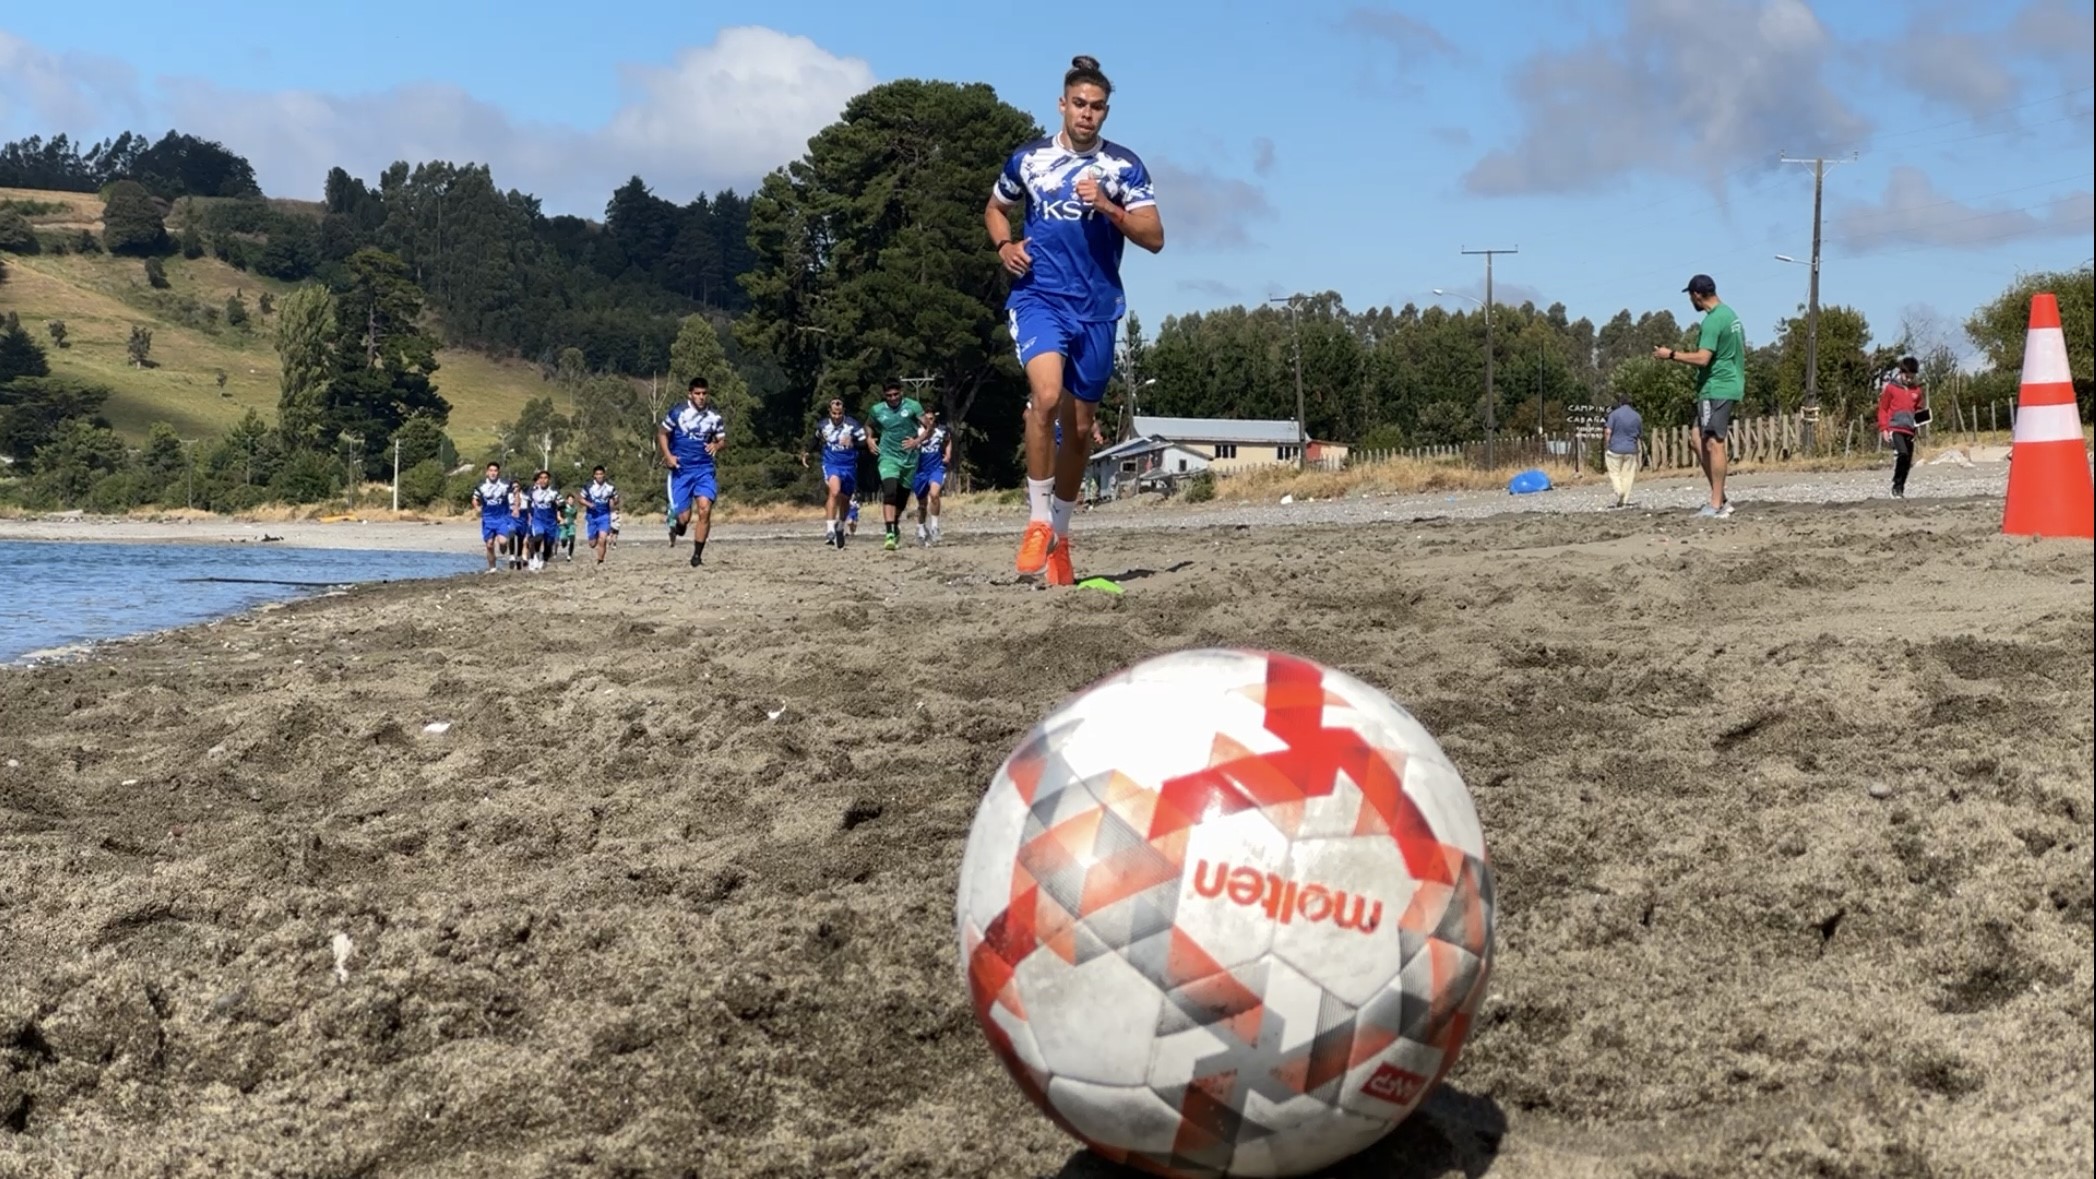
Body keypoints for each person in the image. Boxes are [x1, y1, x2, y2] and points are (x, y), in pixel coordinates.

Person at [986, 54, 1164, 585]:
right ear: (1063, 105)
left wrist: (1110, 207)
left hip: (1098, 309)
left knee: (1081, 429)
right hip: (1039, 296)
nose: (1087, 114)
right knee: (1044, 398)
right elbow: (995, 207)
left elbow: (1154, 237)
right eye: (1079, 104)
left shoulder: (1124, 167)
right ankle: (1038, 522)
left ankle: (1060, 537)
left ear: (1106, 113)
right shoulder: (1030, 160)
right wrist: (1004, 245)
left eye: (1098, 108)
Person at [1654, 274, 1745, 517]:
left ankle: (1716, 504)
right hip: (1721, 385)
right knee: (1696, 438)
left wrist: (1671, 354)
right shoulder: (1730, 314)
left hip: (1717, 387)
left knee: (1713, 442)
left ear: (1696, 295)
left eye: (1690, 296)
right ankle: (1721, 496)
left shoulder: (1713, 321)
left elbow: (1703, 358)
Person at [658, 376, 727, 567]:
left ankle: (697, 556)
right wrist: (668, 455)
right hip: (681, 470)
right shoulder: (678, 412)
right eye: (697, 393)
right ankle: (677, 526)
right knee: (684, 519)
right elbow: (662, 433)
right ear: (690, 394)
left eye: (704, 393)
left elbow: (722, 440)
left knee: (705, 510)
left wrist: (717, 445)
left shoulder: (715, 417)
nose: (701, 397)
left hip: (704, 469)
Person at [867, 379, 928, 551]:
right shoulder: (877, 410)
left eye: (895, 394)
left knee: (901, 500)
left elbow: (929, 427)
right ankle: (889, 534)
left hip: (909, 458)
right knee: (890, 491)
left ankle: (895, 524)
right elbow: (868, 426)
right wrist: (869, 439)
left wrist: (916, 441)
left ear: (901, 392)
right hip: (887, 456)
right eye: (889, 396)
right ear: (884, 395)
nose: (893, 398)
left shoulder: (913, 406)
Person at [803, 397, 869, 548]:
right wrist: (807, 452)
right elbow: (815, 439)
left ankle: (840, 526)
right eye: (834, 413)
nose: (837, 416)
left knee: (845, 499)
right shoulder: (823, 425)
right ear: (830, 412)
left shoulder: (852, 425)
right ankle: (830, 529)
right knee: (834, 491)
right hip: (831, 463)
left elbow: (864, 443)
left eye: (839, 413)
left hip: (849, 466)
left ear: (843, 412)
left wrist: (853, 443)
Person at [1878, 356, 1927, 499]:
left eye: (1912, 377)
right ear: (1901, 373)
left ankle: (1900, 489)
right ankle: (1895, 486)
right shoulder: (1891, 389)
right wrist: (1884, 428)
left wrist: (1922, 418)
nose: (1909, 379)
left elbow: (1918, 409)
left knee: (1908, 461)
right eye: (1907, 376)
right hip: (1895, 428)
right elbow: (1883, 409)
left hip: (1910, 430)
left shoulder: (1917, 391)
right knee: (1903, 454)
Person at [912, 408, 953, 546]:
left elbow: (948, 440)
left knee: (934, 494)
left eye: (931, 419)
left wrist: (948, 455)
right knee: (922, 504)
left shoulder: (941, 430)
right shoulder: (915, 432)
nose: (928, 421)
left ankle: (935, 526)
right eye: (926, 419)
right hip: (919, 471)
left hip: (936, 468)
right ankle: (921, 528)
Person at [471, 461, 516, 573]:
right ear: (487, 472)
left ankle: (504, 547)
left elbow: (513, 495)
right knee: (489, 545)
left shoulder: (505, 484)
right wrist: (477, 507)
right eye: (491, 470)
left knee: (503, 542)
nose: (493, 473)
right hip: (488, 519)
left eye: (495, 471)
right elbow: (474, 499)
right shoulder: (481, 486)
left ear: (498, 472)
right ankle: (492, 568)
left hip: (502, 518)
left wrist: (514, 507)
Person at [1602, 392, 1643, 508]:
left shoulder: (1614, 415)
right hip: (1630, 448)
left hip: (1615, 448)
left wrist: (1607, 443)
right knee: (1628, 475)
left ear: (1620, 402)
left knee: (1614, 472)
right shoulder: (1637, 416)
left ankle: (1619, 490)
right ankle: (1624, 500)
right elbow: (1640, 434)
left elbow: (1608, 431)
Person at [574, 464, 619, 566]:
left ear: (604, 475)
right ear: (594, 475)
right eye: (597, 474)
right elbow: (580, 499)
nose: (599, 476)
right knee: (592, 544)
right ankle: (595, 536)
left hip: (604, 516)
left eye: (601, 474)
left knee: (602, 539)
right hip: (592, 517)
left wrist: (613, 502)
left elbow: (616, 498)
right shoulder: (589, 486)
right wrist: (589, 504)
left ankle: (600, 561)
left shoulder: (610, 487)